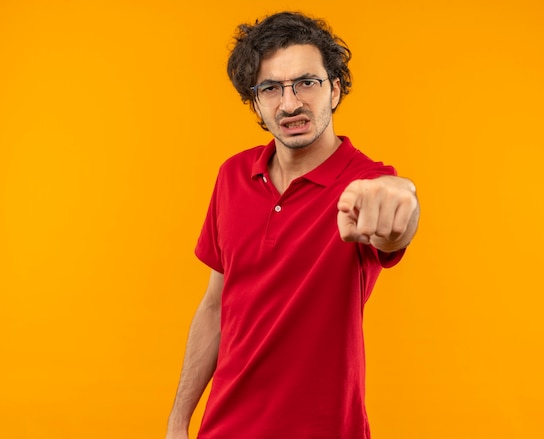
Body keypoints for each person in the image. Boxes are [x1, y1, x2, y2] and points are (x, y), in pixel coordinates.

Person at [166, 11, 420, 439]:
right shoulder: (233, 175)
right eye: (271, 88)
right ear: (256, 103)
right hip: (224, 429)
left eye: (307, 82)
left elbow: (396, 215)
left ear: (335, 89)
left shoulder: (363, 184)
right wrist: (177, 423)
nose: (290, 103)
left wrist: (402, 200)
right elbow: (214, 307)